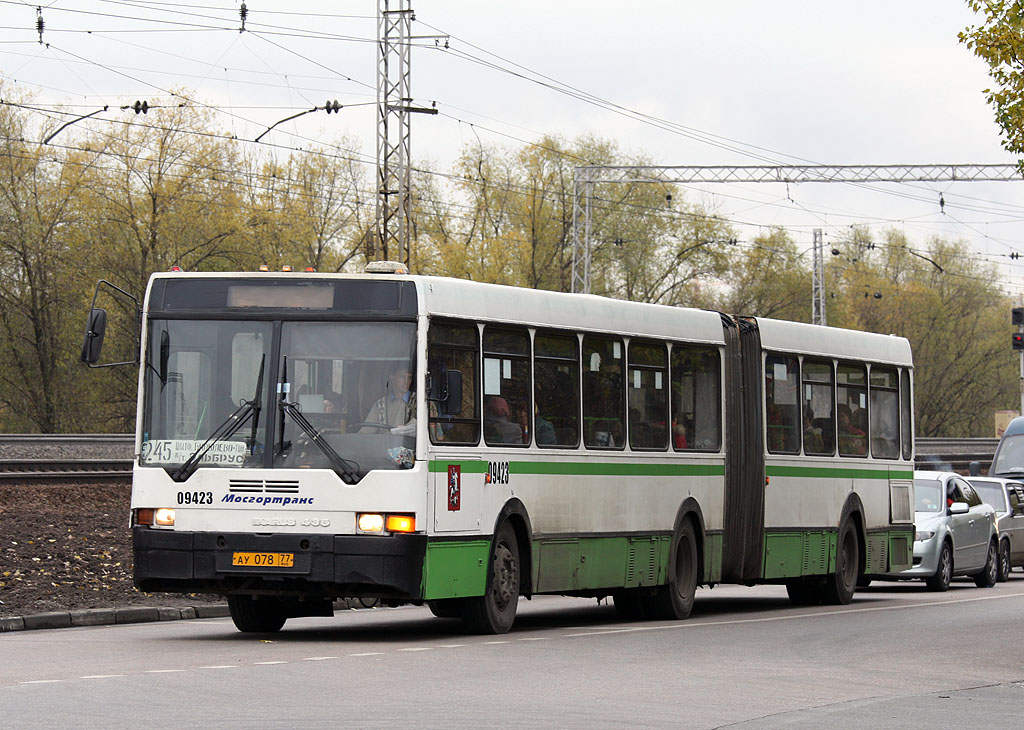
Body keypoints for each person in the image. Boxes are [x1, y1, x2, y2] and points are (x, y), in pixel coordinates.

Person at [362, 365, 415, 432]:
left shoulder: (420, 402)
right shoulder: (380, 405)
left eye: (409, 377)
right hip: (385, 442)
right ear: (392, 378)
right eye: (402, 377)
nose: (406, 381)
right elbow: (366, 431)